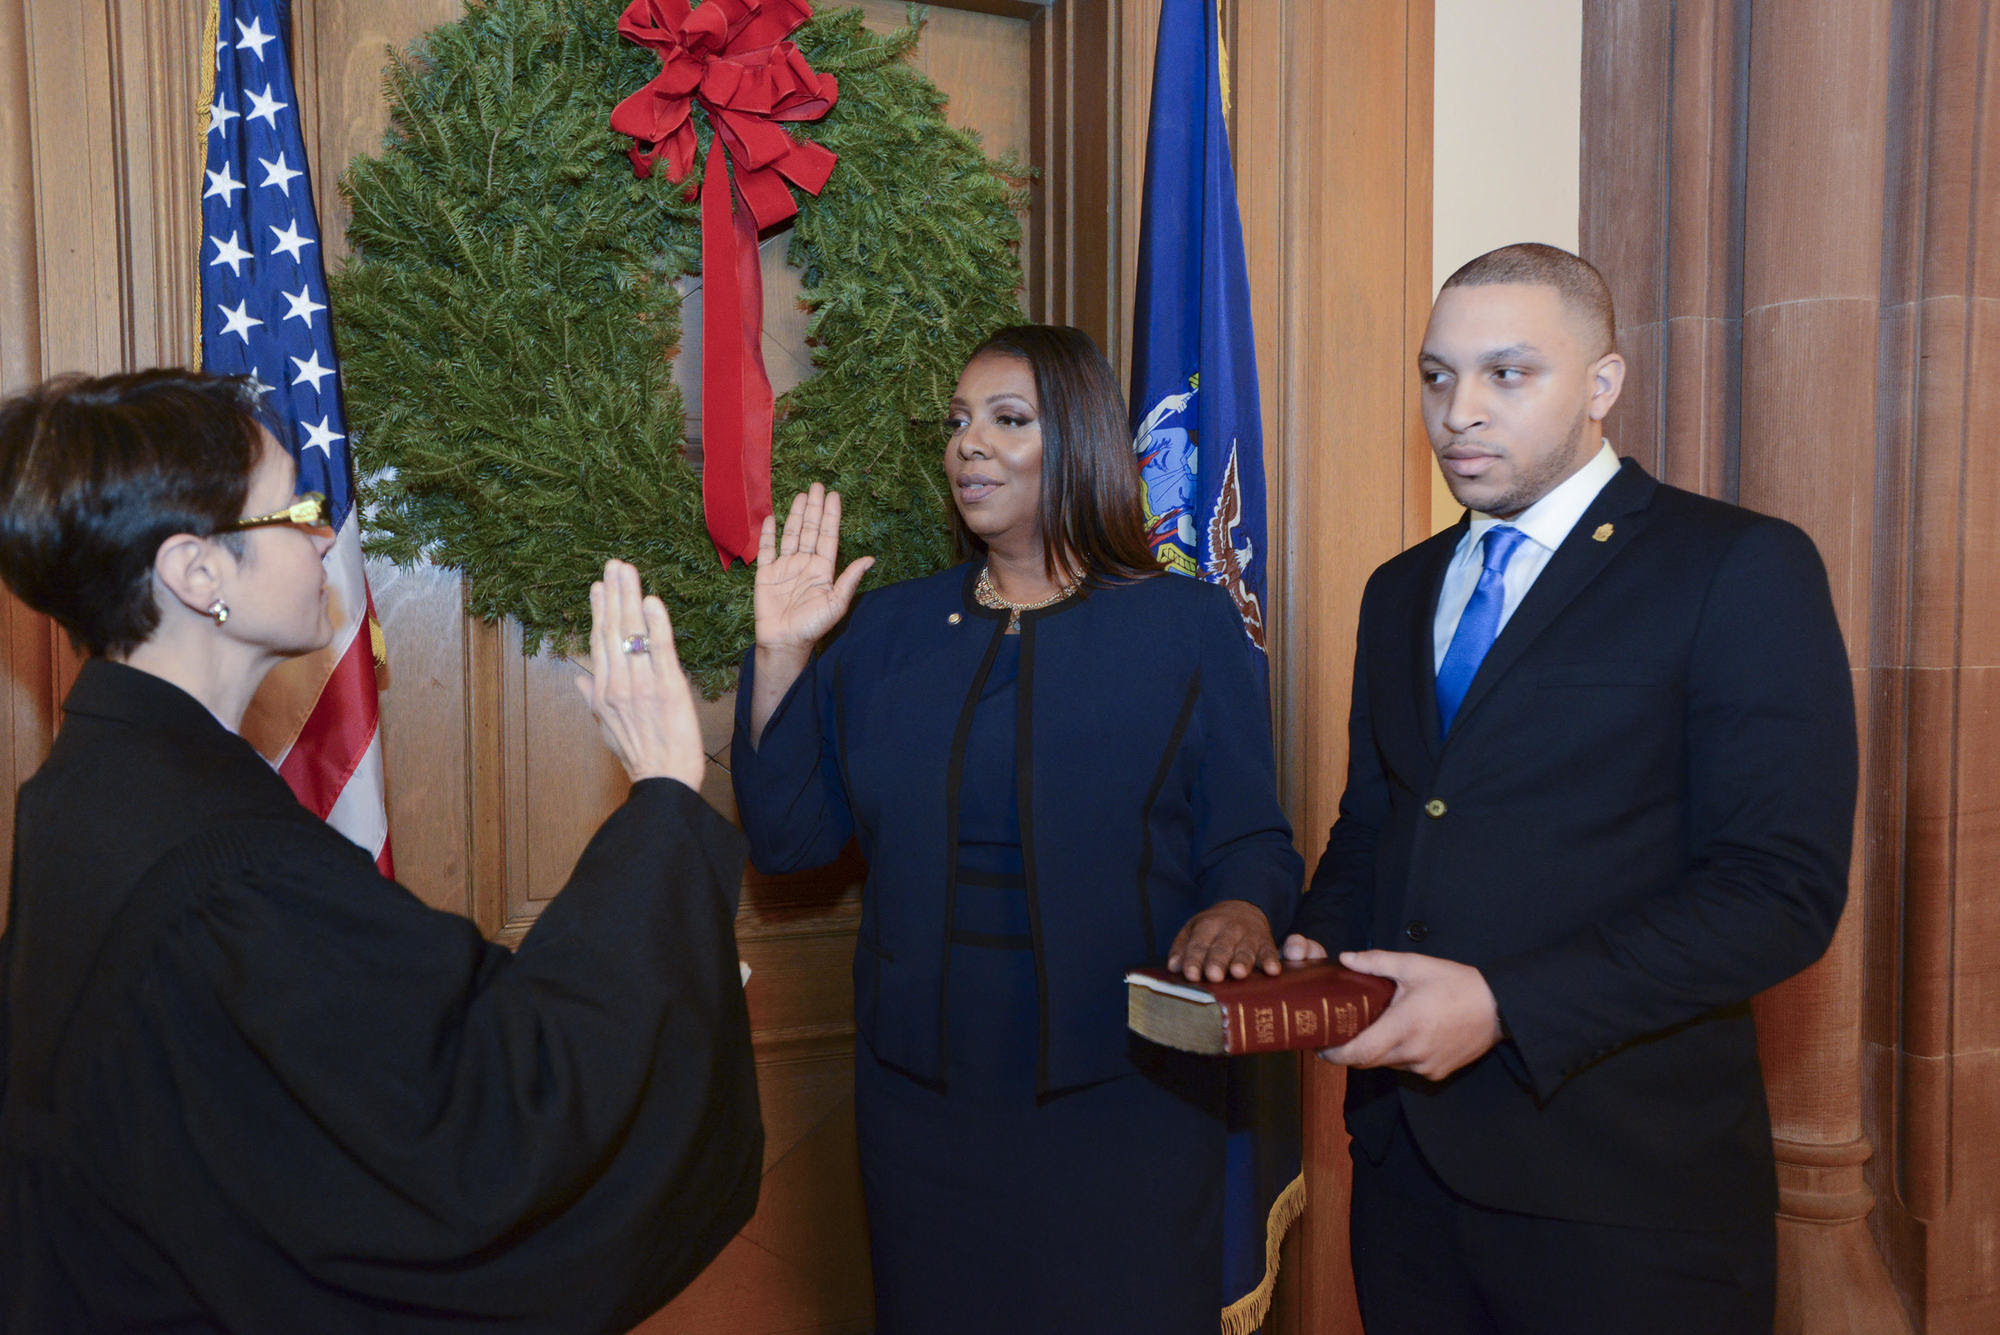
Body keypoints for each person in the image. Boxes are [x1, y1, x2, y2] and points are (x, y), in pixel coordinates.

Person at [0, 369, 761, 1331]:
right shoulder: (224, 867)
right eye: (296, 508)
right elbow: (486, 1126)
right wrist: (662, 797)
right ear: (199, 573)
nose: (326, 535)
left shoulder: (90, 782)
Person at [1283, 243, 1857, 1334]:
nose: (1457, 411)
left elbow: (1777, 891)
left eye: (1507, 374)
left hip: (1622, 1195)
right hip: (1405, 1172)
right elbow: (1380, 820)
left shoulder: (1734, 566)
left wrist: (1506, 1007)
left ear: (1600, 386)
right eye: (1435, 375)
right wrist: (1319, 948)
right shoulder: (1398, 589)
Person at [731, 324, 1301, 1333]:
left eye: (1005, 420)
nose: (967, 445)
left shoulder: (1184, 627)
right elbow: (787, 843)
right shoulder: (883, 630)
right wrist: (779, 655)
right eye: (957, 422)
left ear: (1076, 440)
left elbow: (1249, 834)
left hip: (1125, 1103)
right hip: (921, 1112)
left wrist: (1239, 906)